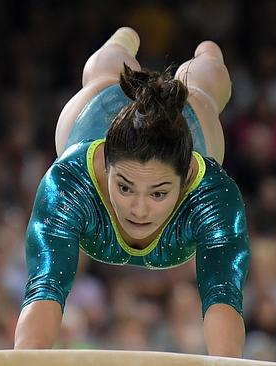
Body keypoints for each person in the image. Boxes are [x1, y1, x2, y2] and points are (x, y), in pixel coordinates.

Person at [14, 27, 250, 357]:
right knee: (106, 73)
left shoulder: (210, 195)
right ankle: (122, 41)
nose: (139, 209)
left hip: (190, 121)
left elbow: (222, 294)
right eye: (124, 187)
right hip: (99, 113)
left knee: (206, 86)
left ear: (184, 183)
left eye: (158, 193)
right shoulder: (70, 183)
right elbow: (45, 286)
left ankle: (206, 53)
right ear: (104, 167)